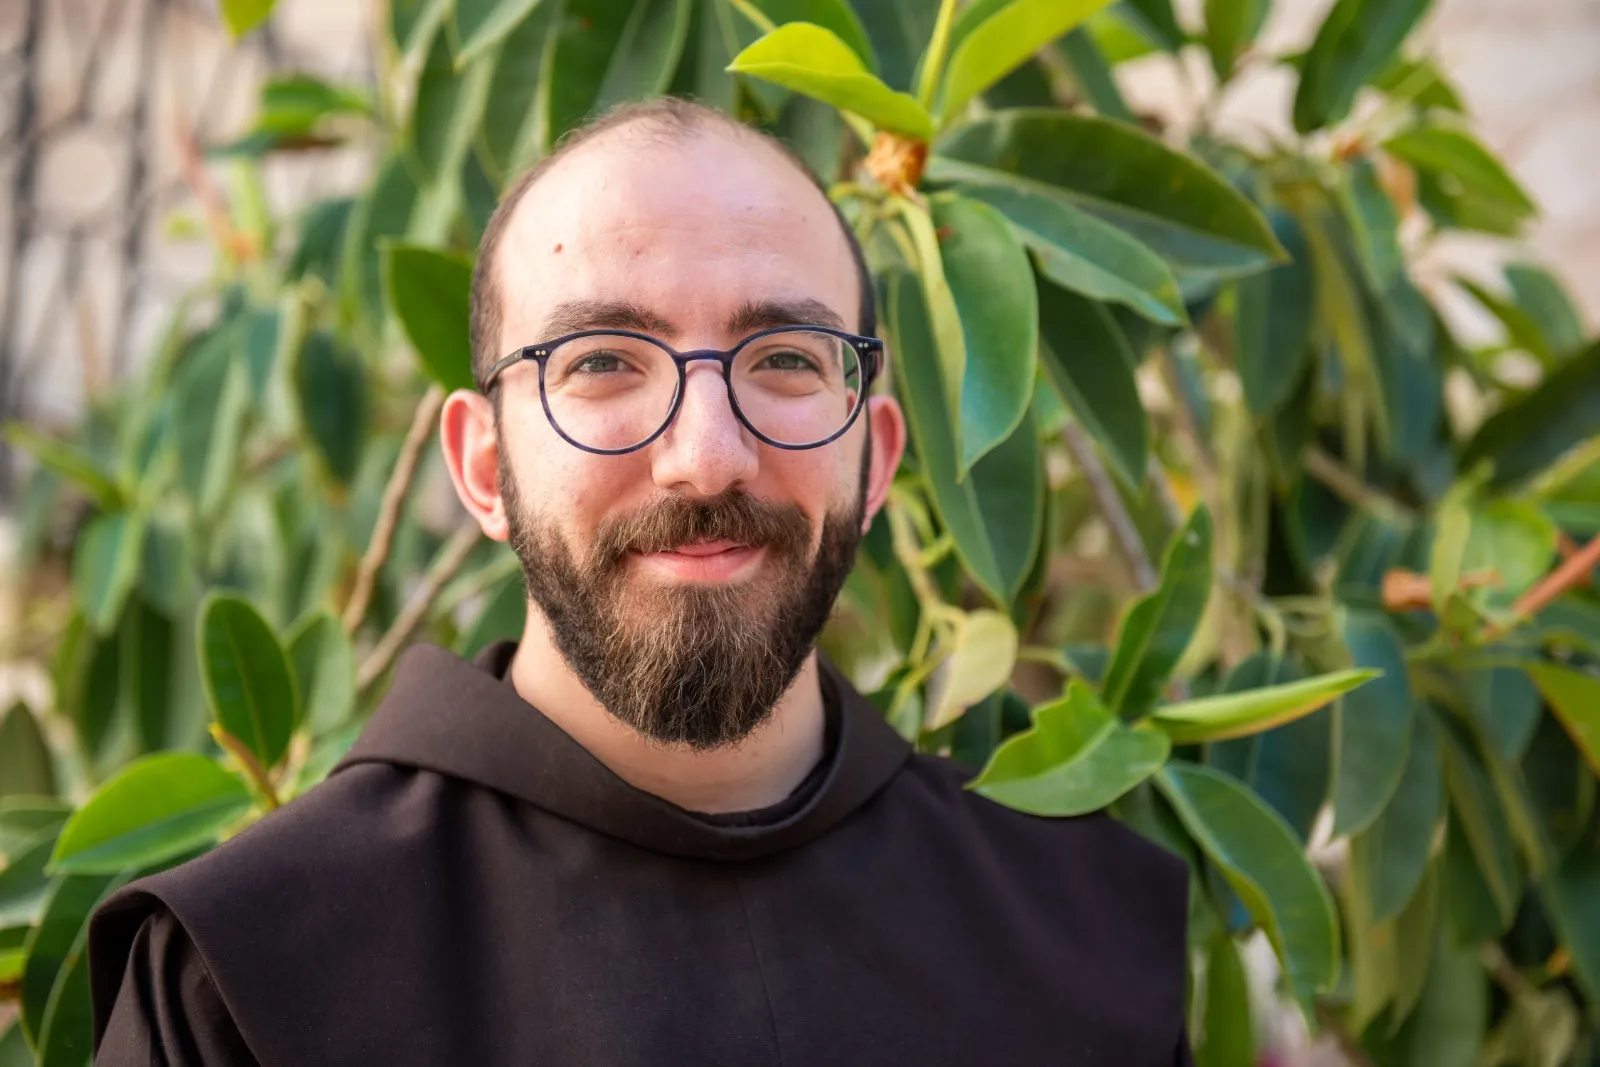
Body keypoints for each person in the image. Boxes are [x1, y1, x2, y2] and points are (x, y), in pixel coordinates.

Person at [88, 96, 1193, 1065]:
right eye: (604, 361)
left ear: (877, 460)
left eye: (786, 361)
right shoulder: (243, 968)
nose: (706, 455)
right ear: (483, 467)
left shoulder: (1091, 933)